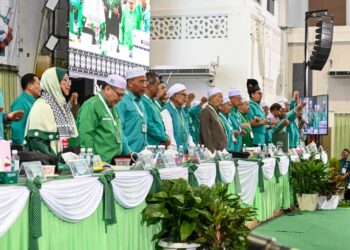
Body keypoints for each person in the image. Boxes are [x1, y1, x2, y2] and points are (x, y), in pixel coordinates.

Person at [25, 67, 79, 157]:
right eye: (65, 80)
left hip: (64, 163)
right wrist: (55, 163)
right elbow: (37, 143)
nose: (69, 84)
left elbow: (71, 138)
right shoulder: (41, 106)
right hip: (49, 165)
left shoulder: (62, 106)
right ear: (53, 82)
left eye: (69, 81)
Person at [78, 75, 128, 163]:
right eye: (119, 94)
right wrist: (90, 162)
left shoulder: (113, 108)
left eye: (122, 95)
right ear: (108, 89)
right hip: (99, 165)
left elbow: (118, 133)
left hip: (113, 163)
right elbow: (85, 135)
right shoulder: (91, 105)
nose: (120, 98)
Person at [116, 67, 148, 153]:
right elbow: (119, 130)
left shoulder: (140, 103)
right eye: (141, 82)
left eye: (146, 82)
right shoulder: (121, 101)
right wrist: (128, 152)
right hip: (127, 156)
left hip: (141, 155)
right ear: (130, 83)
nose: (145, 85)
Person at [161, 83, 194, 151]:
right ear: (175, 96)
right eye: (184, 95)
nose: (186, 97)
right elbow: (169, 133)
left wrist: (192, 147)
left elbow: (187, 130)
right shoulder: (167, 110)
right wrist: (173, 152)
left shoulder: (181, 110)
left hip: (185, 152)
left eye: (186, 95)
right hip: (174, 153)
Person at [11, 73, 41, 145]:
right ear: (30, 86)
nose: (41, 87)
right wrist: (22, 148)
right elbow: (17, 128)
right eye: (38, 84)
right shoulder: (21, 103)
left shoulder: (33, 102)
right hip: (24, 150)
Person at [141, 72, 170, 146]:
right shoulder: (143, 102)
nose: (158, 88)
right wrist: (164, 138)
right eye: (157, 85)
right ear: (149, 86)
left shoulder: (153, 102)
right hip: (152, 145)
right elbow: (149, 125)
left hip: (159, 143)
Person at [199, 87, 227, 152]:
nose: (222, 100)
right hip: (213, 152)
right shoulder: (206, 111)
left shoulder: (215, 112)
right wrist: (211, 152)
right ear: (212, 98)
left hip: (220, 151)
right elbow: (205, 134)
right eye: (220, 97)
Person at [246, 79, 268, 146]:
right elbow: (251, 121)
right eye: (259, 93)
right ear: (252, 95)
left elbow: (258, 119)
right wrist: (262, 122)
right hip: (255, 139)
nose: (261, 95)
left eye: (261, 93)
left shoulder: (258, 107)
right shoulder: (250, 106)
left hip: (262, 139)